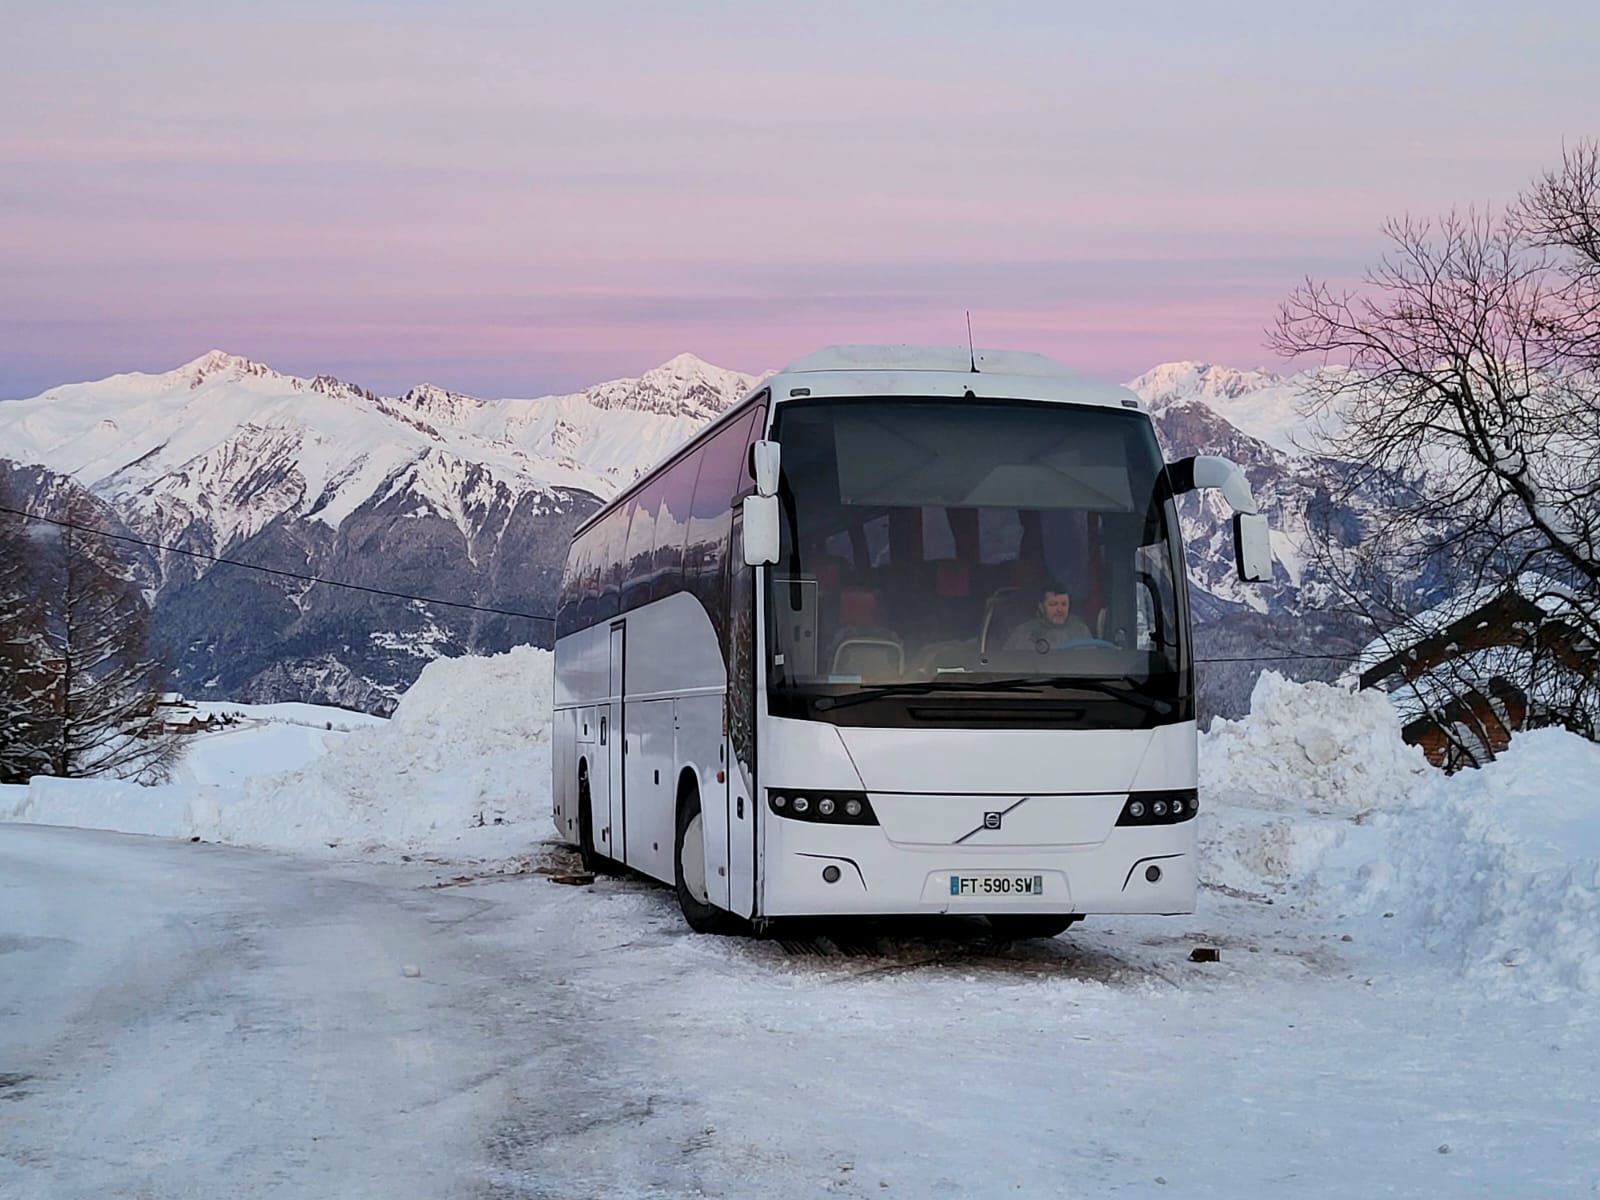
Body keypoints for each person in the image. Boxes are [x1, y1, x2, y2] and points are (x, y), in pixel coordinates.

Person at [1004, 581, 1092, 653]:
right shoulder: (1024, 633)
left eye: (1064, 604)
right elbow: (1009, 662)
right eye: (1053, 604)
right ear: (1042, 607)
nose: (1060, 609)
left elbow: (1092, 661)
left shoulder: (1080, 629)